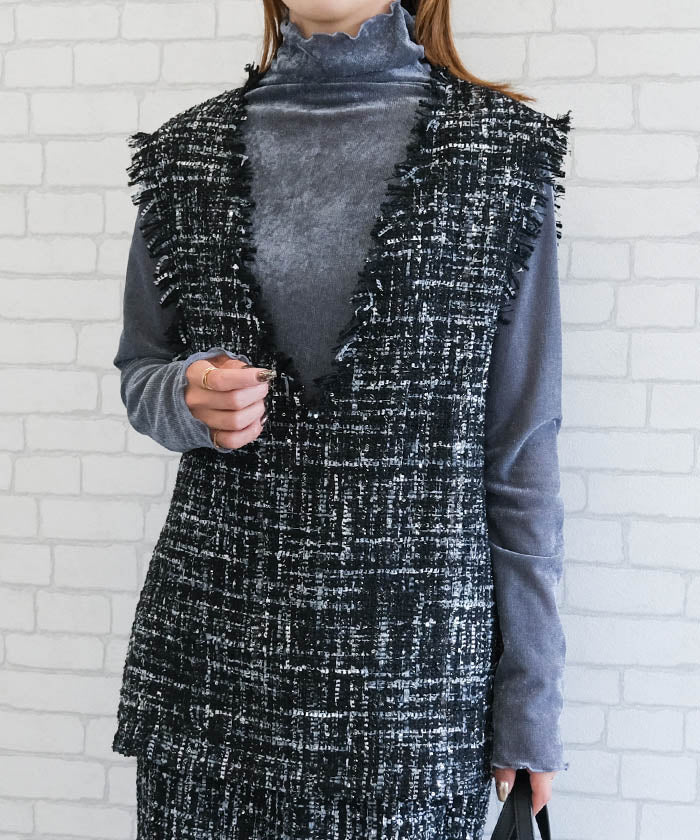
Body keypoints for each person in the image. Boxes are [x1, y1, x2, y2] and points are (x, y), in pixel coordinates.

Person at [112, 2, 572, 838]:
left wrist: (530, 700)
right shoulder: (185, 155)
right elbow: (140, 368)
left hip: (413, 693)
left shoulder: (500, 157)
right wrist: (185, 395)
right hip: (211, 684)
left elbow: (520, 453)